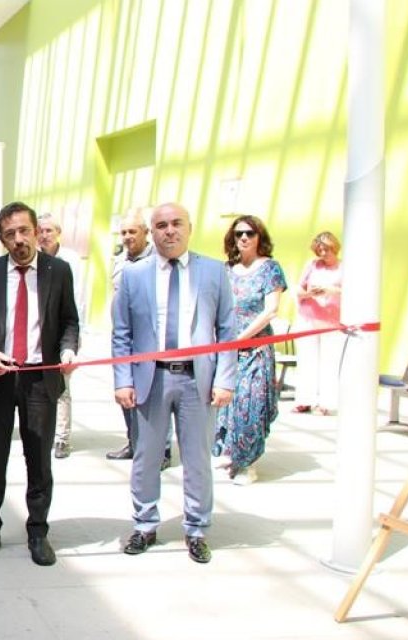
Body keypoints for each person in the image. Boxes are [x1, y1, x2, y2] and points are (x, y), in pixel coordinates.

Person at [113, 202, 235, 565]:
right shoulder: (134, 276)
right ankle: (145, 524)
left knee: (197, 458)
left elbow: (227, 330)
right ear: (152, 232)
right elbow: (122, 333)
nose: (169, 231)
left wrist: (225, 378)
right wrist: (122, 380)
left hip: (198, 380)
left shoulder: (213, 272)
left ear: (189, 227)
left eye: (176, 224)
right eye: (161, 225)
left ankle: (196, 529)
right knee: (146, 457)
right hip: (151, 379)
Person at [0, 202, 79, 566]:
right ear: (2, 238)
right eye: (10, 234)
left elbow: (69, 321)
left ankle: (38, 531)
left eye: (24, 231)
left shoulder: (58, 271)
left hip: (39, 380)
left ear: (37, 231)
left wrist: (69, 349)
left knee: (39, 460)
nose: (19, 240)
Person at [213, 215, 287, 486]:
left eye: (250, 233)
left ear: (259, 237)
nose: (243, 238)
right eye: (239, 234)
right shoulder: (227, 269)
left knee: (250, 406)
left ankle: (248, 463)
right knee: (227, 404)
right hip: (227, 347)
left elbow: (270, 311)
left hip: (255, 348)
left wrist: (241, 339)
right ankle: (230, 454)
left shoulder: (270, 269)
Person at [106, 209, 165, 463]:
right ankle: (134, 442)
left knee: (156, 394)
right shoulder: (120, 260)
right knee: (126, 392)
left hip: (148, 339)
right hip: (123, 337)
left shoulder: (158, 260)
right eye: (124, 232)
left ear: (146, 233)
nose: (128, 237)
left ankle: (162, 451)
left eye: (133, 231)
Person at [37, 213, 84, 459]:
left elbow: (78, 301)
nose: (44, 235)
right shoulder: (33, 258)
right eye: (41, 230)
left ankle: (61, 438)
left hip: (64, 333)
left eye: (49, 230)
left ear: (59, 233)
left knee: (62, 387)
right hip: (39, 335)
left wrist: (73, 342)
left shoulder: (70, 261)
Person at [293, 231, 343, 416]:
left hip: (332, 321)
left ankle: (326, 403)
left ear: (334, 248)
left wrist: (329, 289)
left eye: (326, 249)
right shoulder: (312, 265)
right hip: (308, 317)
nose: (323, 253)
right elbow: (299, 288)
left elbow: (350, 290)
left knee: (329, 362)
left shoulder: (344, 267)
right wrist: (309, 293)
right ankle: (304, 400)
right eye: (319, 249)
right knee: (307, 360)